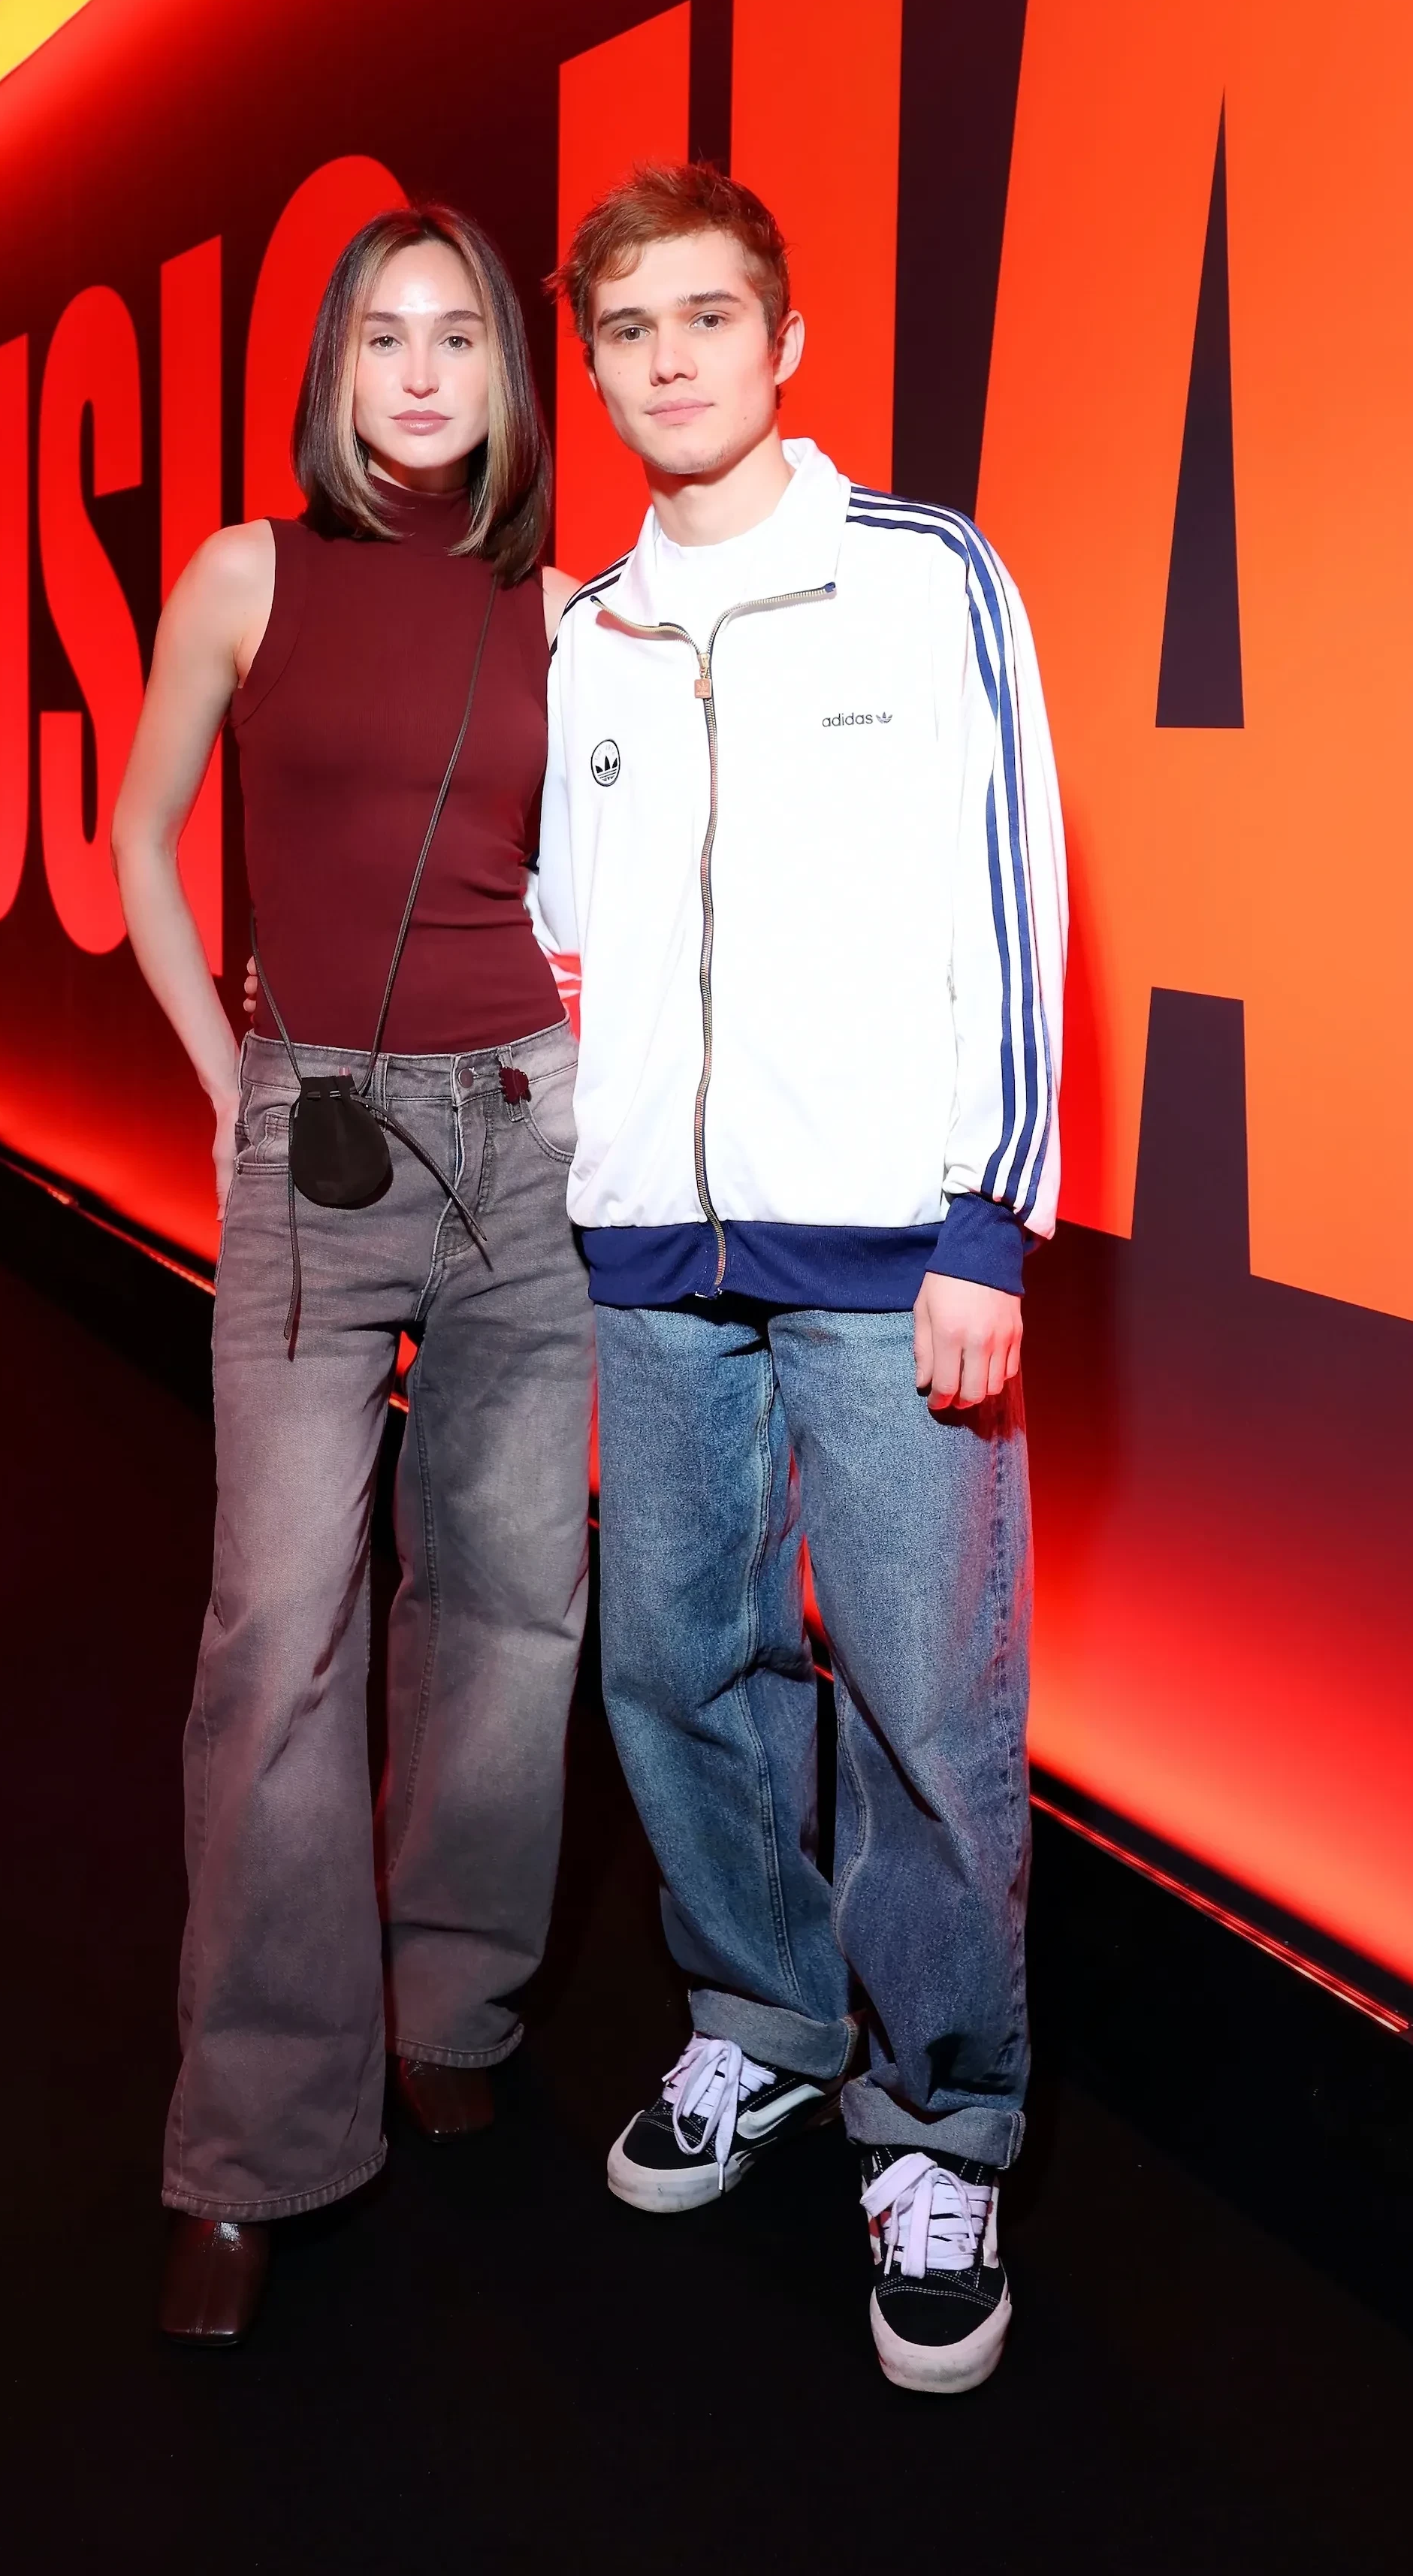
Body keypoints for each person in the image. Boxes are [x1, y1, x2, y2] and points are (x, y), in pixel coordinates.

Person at [533, 165, 1066, 2393]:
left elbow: (1012, 896)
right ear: (593, 367)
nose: (667, 358)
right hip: (655, 1258)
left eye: (705, 315)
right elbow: (563, 931)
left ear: (785, 341)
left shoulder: (920, 576)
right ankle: (759, 2017)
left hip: (891, 1257)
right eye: (626, 327)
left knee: (926, 1702)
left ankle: (938, 2122)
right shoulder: (583, 636)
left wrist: (984, 1217)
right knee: (674, 1659)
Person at [113, 204, 594, 2348]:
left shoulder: (561, 611)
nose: (419, 372)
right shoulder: (248, 573)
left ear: (506, 375)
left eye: (458, 337)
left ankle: (448, 2007)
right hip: (312, 1142)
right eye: (383, 338)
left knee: (509, 1603)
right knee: (276, 1637)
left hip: (526, 1137)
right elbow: (140, 842)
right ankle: (254, 2142)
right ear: (333, 374)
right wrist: (235, 1085)